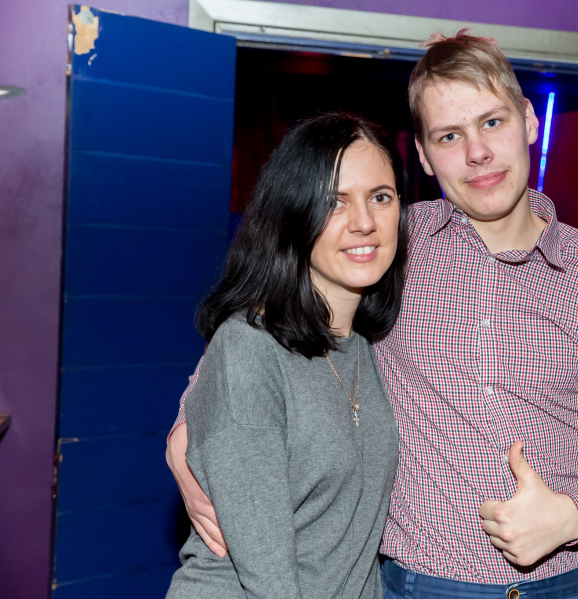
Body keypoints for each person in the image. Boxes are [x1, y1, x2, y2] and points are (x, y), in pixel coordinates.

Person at [169, 31, 578, 598]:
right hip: (411, 587)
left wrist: (573, 514)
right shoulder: (385, 245)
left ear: (529, 121)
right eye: (449, 135)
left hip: (564, 586)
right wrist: (181, 438)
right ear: (422, 153)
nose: (477, 153)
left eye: (492, 122)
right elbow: (248, 355)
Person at [165, 112, 408, 598]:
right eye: (334, 202)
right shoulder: (249, 346)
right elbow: (268, 575)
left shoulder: (366, 347)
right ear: (293, 214)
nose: (364, 222)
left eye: (380, 197)